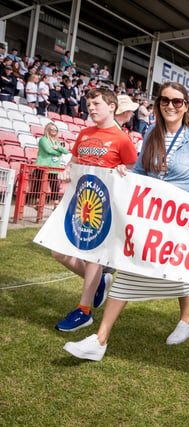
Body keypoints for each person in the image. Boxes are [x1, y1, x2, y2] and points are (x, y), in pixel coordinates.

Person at [63, 82, 189, 361]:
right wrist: (126, 172)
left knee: (181, 271)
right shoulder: (152, 132)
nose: (171, 106)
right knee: (130, 267)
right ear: (158, 104)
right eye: (165, 101)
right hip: (151, 214)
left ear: (186, 106)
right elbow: (139, 169)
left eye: (177, 101)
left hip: (183, 217)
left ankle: (185, 320)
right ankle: (99, 340)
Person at [52, 88, 138, 332]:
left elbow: (133, 168)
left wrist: (125, 170)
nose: (90, 107)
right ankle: (98, 281)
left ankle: (84, 311)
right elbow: (75, 161)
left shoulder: (121, 138)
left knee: (93, 256)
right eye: (88, 103)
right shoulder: (85, 133)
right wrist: (68, 170)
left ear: (111, 106)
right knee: (58, 251)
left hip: (104, 206)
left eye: (96, 103)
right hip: (80, 202)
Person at [33, 123, 69, 203]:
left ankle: (56, 203)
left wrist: (58, 147)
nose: (54, 131)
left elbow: (66, 151)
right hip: (42, 166)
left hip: (53, 167)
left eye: (55, 130)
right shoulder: (43, 139)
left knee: (54, 185)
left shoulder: (57, 141)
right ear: (48, 130)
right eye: (52, 129)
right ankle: (37, 202)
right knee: (39, 184)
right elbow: (48, 150)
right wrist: (59, 153)